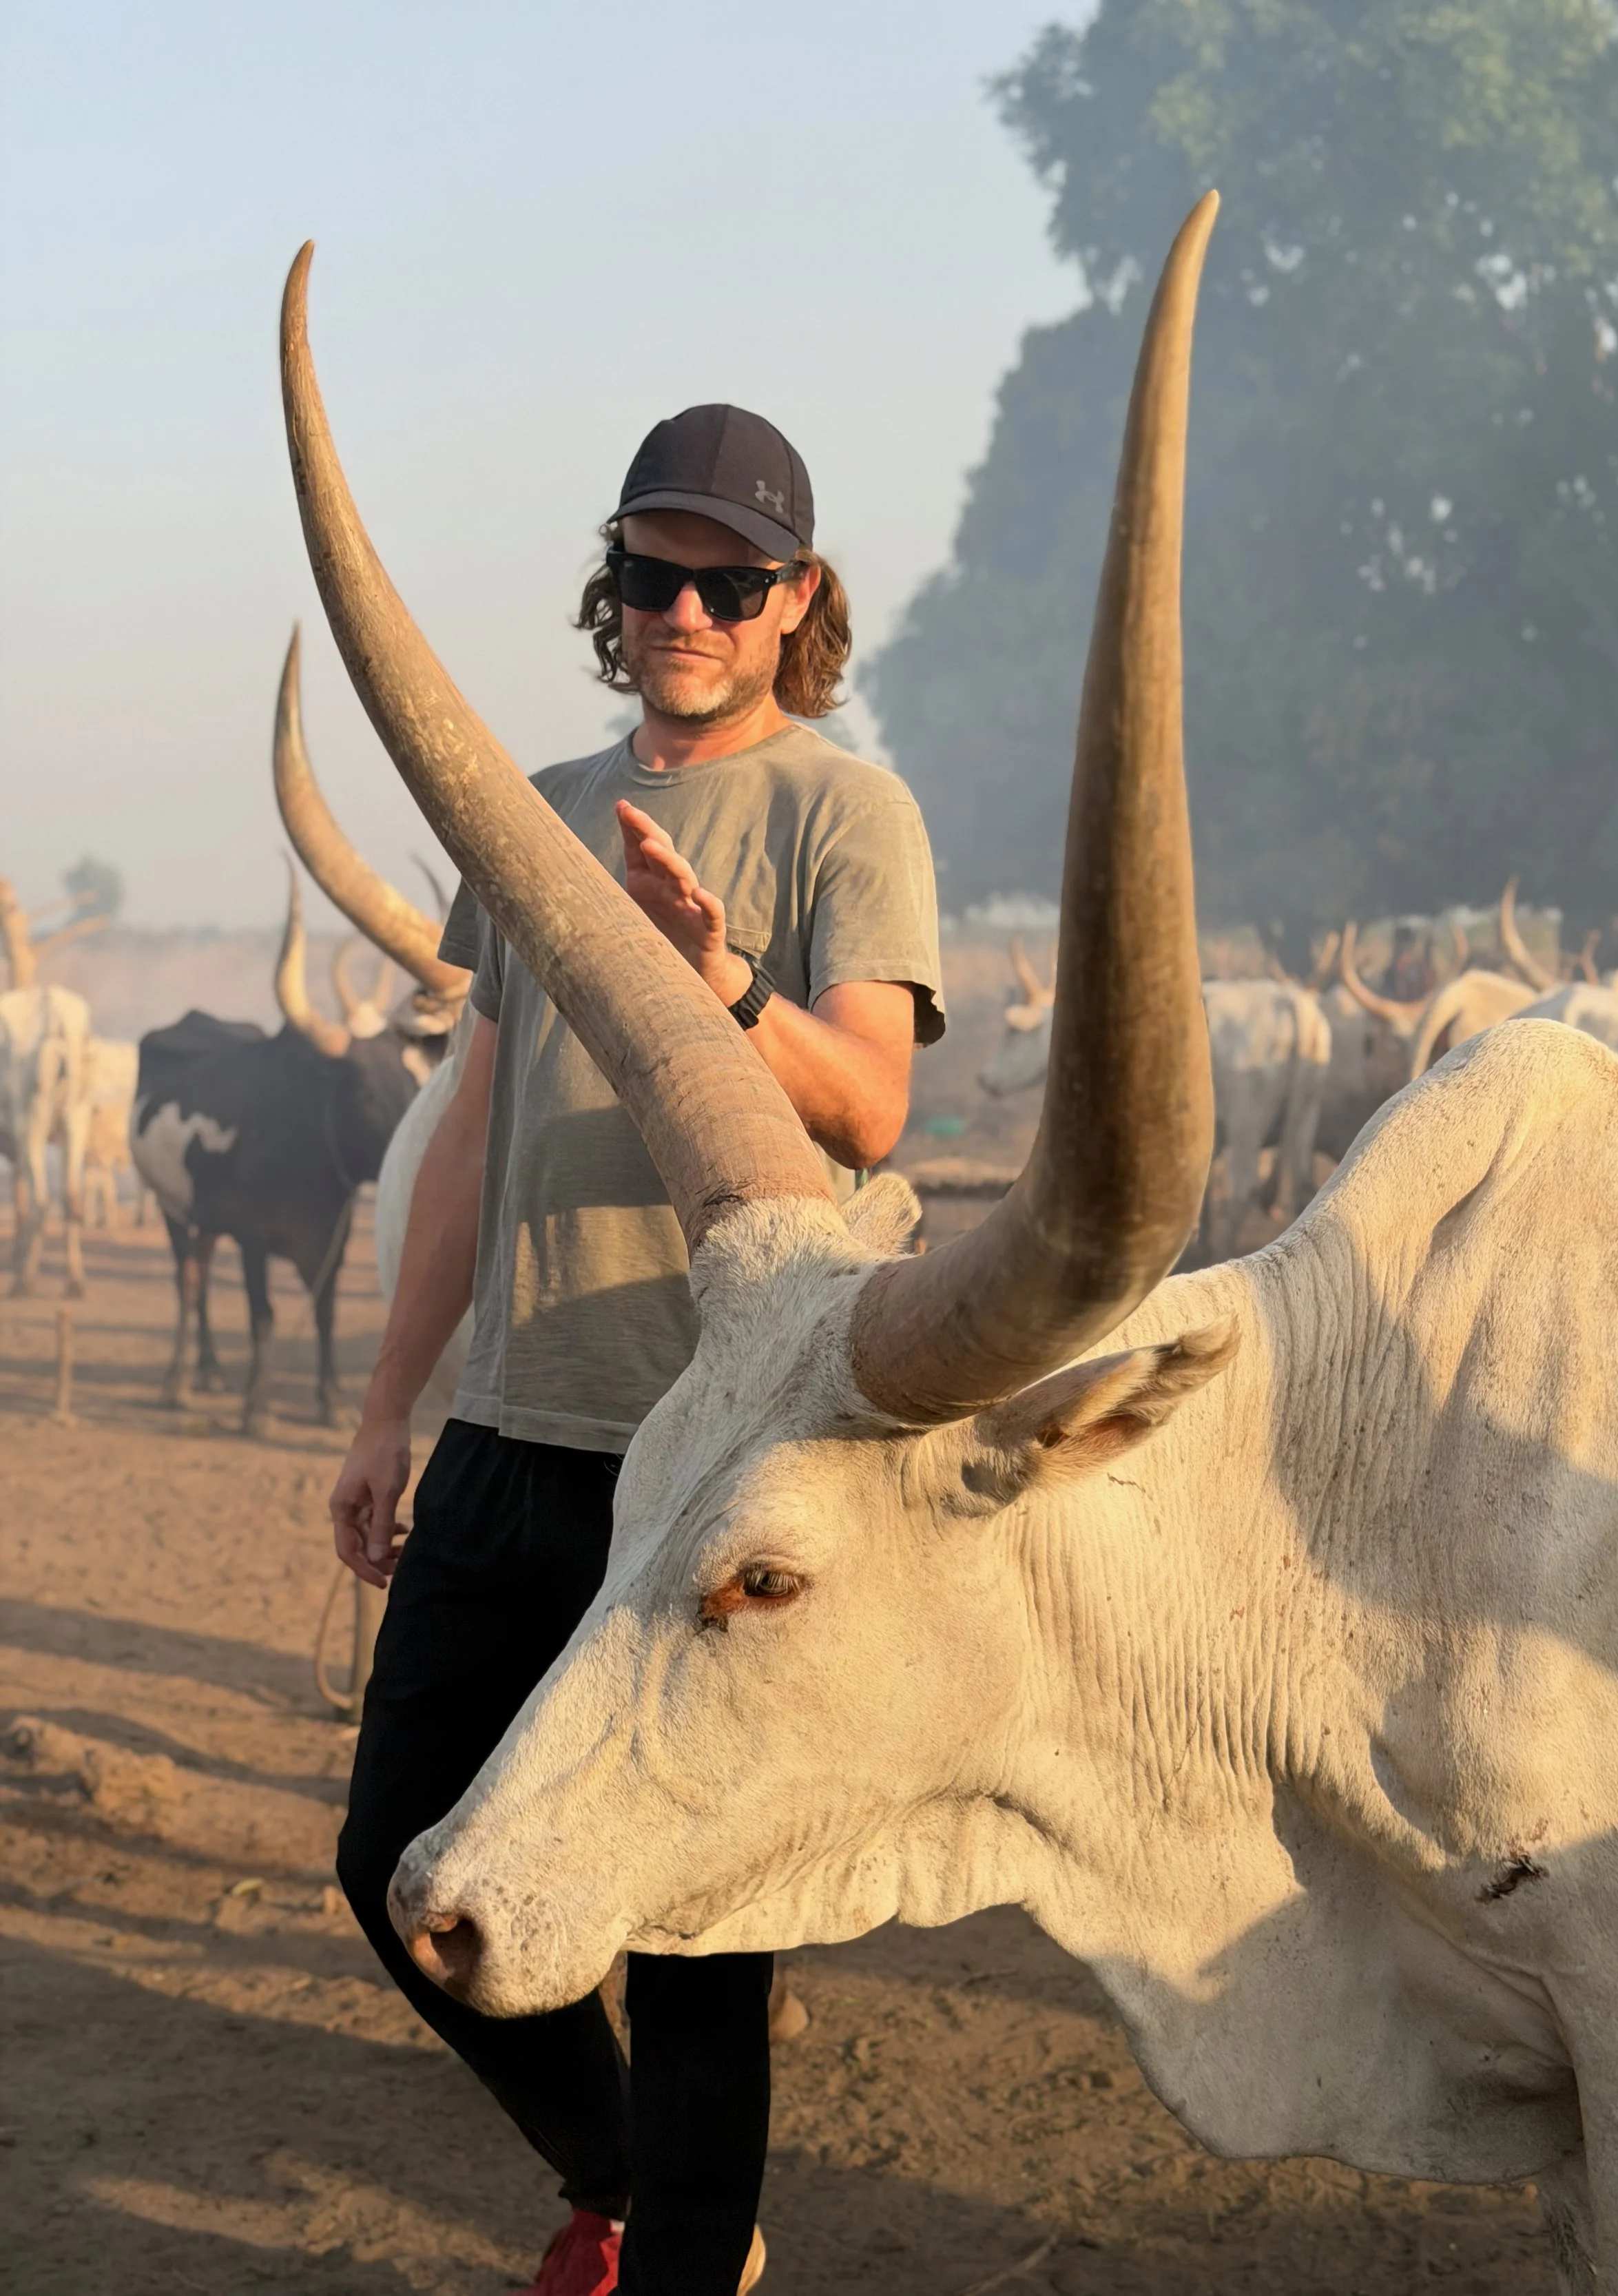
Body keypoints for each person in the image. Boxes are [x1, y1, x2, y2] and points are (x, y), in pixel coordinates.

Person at [329, 402, 944, 2296]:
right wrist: (384, 1408)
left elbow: (871, 1111)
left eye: (727, 579)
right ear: (615, 584)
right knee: (391, 1863)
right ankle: (616, 2174)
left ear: (794, 603)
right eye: (653, 571)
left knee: (693, 1932)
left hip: (699, 1460)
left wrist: (722, 979)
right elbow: (472, 1134)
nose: (683, 607)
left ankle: (679, 2257)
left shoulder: (847, 810)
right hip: (513, 1435)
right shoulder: (525, 806)